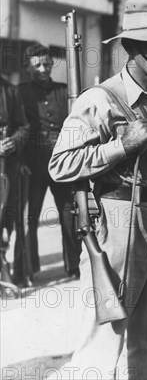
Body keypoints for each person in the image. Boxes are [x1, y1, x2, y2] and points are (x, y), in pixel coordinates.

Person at [48, 0, 147, 379]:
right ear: (130, 47)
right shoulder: (100, 100)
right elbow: (60, 165)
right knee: (104, 337)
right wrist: (121, 145)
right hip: (119, 220)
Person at [17, 44, 80, 279]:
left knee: (69, 215)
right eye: (37, 65)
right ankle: (28, 270)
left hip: (62, 166)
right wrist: (22, 161)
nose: (43, 69)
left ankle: (74, 266)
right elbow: (18, 127)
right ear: (27, 68)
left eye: (47, 64)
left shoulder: (66, 91)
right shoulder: (20, 93)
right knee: (30, 218)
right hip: (32, 167)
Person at [0, 75, 29, 285]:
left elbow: (24, 126)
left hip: (6, 166)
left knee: (5, 216)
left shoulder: (11, 90)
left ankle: (3, 265)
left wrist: (14, 141)